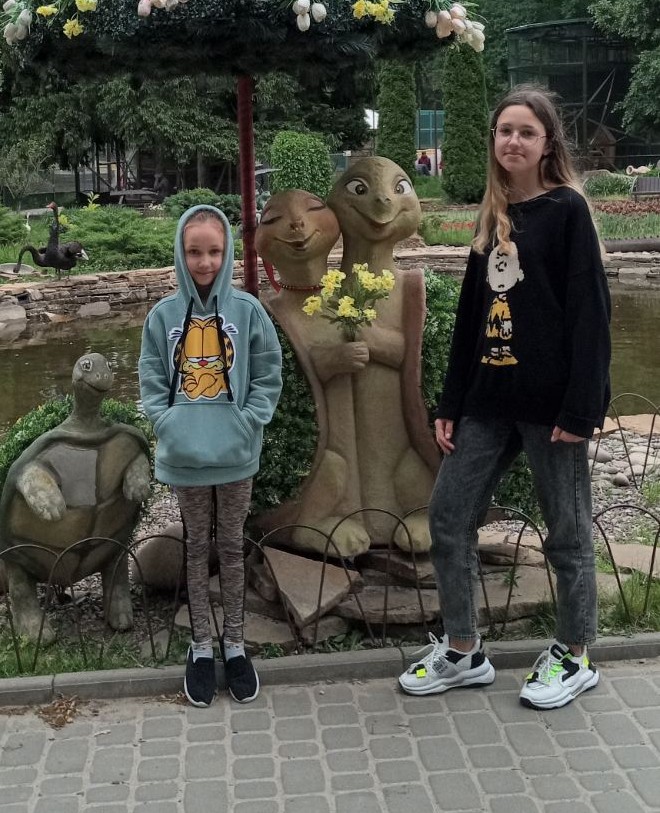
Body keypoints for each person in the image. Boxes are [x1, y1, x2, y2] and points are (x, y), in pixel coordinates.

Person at [398, 85, 611, 710]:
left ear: (548, 143)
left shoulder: (568, 210)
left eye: (526, 131)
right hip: (487, 403)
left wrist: (583, 407)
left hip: (551, 409)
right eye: (504, 130)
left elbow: (590, 315)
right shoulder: (493, 215)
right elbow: (471, 317)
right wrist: (450, 403)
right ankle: (464, 651)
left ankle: (575, 653)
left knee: (566, 532)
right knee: (448, 519)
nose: (512, 140)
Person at [139, 205, 282, 707]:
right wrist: (167, 422)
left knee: (232, 547)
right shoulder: (162, 316)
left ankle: (235, 644)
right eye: (194, 251)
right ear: (181, 253)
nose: (204, 262)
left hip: (235, 452)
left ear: (228, 253)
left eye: (215, 251)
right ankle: (201, 646)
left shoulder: (247, 311)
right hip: (186, 456)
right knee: (196, 547)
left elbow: (267, 370)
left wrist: (249, 419)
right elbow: (151, 377)